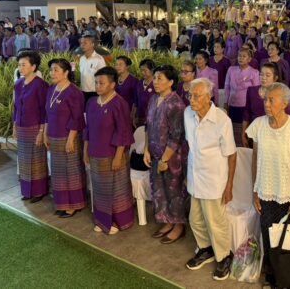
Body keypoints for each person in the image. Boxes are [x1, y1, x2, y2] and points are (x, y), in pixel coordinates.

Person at [247, 83, 290, 287]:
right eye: (265, 100)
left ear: (284, 103)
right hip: (266, 191)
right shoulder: (258, 125)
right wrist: (255, 191)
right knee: (270, 236)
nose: (266, 104)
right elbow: (255, 159)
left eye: (271, 100)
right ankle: (273, 276)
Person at [184, 78, 237, 281]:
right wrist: (188, 174)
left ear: (209, 97)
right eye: (190, 95)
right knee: (195, 219)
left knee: (216, 222)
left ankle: (224, 256)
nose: (192, 99)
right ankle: (205, 249)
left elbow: (232, 154)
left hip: (214, 180)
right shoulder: (187, 114)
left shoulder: (222, 120)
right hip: (195, 176)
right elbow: (190, 145)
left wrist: (229, 186)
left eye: (196, 96)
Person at [83, 67, 135, 235]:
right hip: (95, 153)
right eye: (96, 82)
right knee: (99, 188)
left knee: (116, 189)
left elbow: (123, 131)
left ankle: (119, 221)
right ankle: (102, 219)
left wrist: (118, 156)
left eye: (102, 83)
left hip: (113, 154)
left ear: (112, 84)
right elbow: (88, 129)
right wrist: (85, 150)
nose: (98, 86)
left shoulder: (119, 103)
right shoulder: (91, 103)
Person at [144, 65, 189, 244]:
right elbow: (148, 125)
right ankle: (167, 221)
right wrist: (146, 149)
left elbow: (177, 135)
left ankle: (179, 225)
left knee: (174, 191)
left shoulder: (176, 103)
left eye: (160, 78)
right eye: (155, 78)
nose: (155, 82)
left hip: (172, 157)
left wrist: (165, 159)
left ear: (171, 82)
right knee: (159, 190)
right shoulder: (153, 99)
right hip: (155, 154)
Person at [44, 58, 86, 218]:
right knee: (58, 171)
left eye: (56, 70)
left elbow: (77, 118)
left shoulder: (74, 92)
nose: (52, 73)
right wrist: (46, 133)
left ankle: (75, 205)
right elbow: (47, 114)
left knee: (71, 170)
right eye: (51, 70)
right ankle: (62, 203)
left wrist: (71, 139)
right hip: (53, 136)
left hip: (69, 137)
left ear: (66, 72)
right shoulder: (51, 89)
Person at [13, 50, 49, 203]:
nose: (20, 68)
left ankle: (39, 191)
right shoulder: (18, 84)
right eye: (19, 65)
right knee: (24, 160)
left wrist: (41, 131)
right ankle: (27, 191)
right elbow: (16, 107)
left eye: (24, 65)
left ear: (33, 67)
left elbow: (44, 110)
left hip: (35, 128)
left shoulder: (41, 85)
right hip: (21, 127)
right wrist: (14, 126)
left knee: (37, 160)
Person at [243, 62, 290, 147]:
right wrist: (243, 132)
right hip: (255, 134)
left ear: (275, 78)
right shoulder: (251, 91)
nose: (263, 78)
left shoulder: (283, 95)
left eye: (267, 75)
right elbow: (247, 114)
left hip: (276, 136)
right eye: (261, 74)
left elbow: (289, 117)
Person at [224, 48, 260, 144]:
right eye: (239, 56)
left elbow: (256, 92)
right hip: (232, 104)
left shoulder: (254, 72)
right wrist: (226, 102)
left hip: (246, 107)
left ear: (249, 59)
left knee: (244, 131)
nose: (241, 58)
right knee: (232, 129)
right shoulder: (231, 69)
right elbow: (227, 87)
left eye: (244, 56)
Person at [79, 35, 106, 102]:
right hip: (83, 92)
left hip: (95, 93)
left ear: (92, 44)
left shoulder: (99, 59)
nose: (82, 45)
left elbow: (104, 77)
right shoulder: (82, 58)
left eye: (85, 43)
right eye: (81, 43)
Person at [135, 59, 156, 127]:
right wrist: (134, 115)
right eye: (141, 70)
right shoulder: (139, 83)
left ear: (152, 70)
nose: (143, 72)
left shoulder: (156, 84)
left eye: (145, 70)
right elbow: (136, 101)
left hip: (153, 119)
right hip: (140, 117)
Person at [209, 42, 231, 107]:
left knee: (220, 108)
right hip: (211, 89)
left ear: (222, 49)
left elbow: (229, 77)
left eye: (218, 47)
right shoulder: (210, 60)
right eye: (214, 47)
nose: (215, 49)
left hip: (222, 89)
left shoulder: (226, 61)